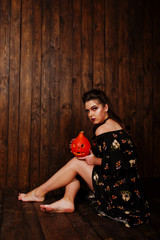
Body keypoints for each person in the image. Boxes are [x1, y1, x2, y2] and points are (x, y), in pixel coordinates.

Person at [18, 89, 150, 227]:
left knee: (76, 163)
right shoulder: (116, 125)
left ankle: (39, 193)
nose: (91, 114)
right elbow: (112, 154)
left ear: (106, 107)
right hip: (129, 188)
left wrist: (95, 161)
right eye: (88, 111)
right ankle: (67, 200)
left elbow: (121, 163)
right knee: (76, 166)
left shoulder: (103, 129)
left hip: (120, 194)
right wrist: (81, 149)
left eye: (94, 109)